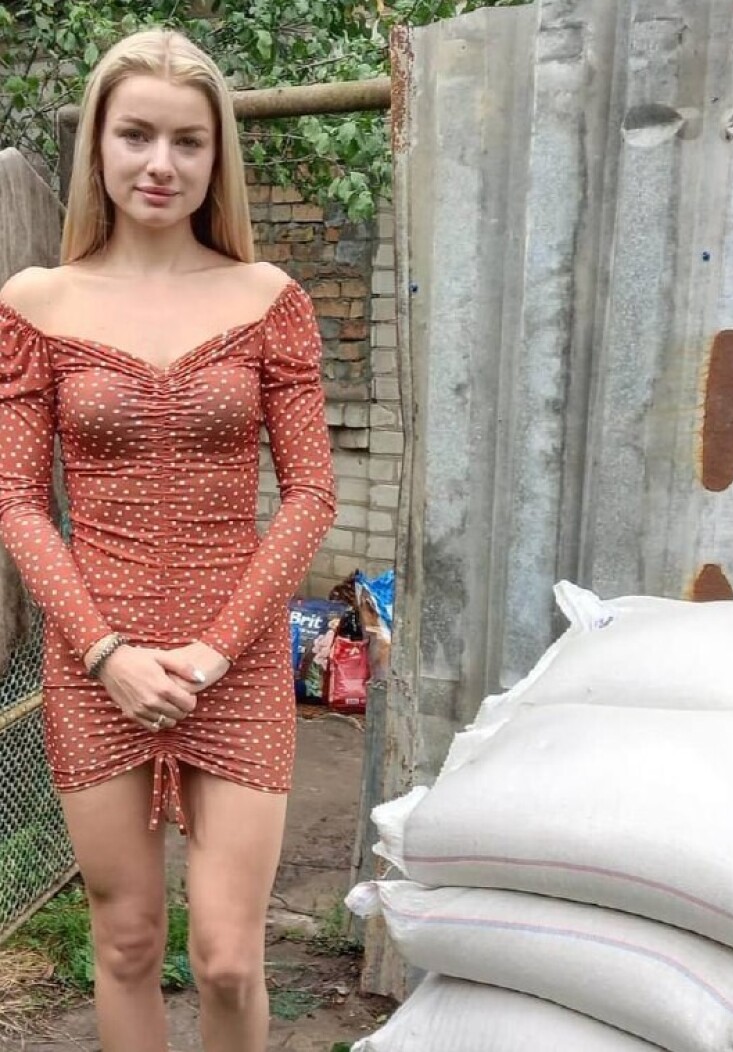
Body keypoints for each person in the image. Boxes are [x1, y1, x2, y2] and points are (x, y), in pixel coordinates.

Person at [0, 27, 336, 1052]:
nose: (160, 163)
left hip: (233, 666)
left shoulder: (269, 300)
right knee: (128, 940)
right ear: (97, 145)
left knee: (229, 957)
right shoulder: (35, 305)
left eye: (188, 140)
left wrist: (213, 650)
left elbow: (311, 494)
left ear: (216, 153)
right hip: (96, 666)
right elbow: (17, 499)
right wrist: (107, 652)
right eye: (136, 134)